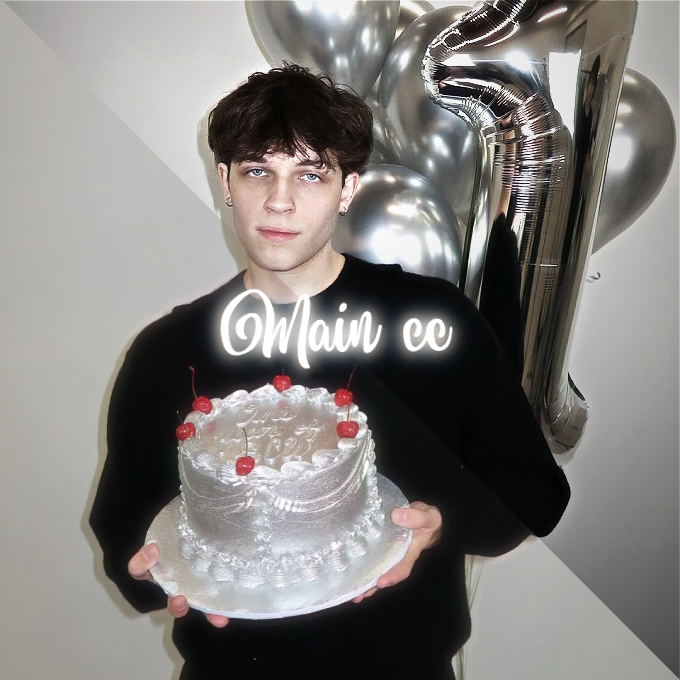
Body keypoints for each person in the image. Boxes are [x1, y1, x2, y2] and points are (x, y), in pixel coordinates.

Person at [90, 63, 570, 680]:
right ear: (225, 181)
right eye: (257, 171)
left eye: (310, 174)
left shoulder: (432, 322)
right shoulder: (168, 351)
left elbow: (532, 492)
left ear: (347, 190)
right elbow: (124, 529)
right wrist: (153, 576)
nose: (279, 200)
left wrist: (443, 523)